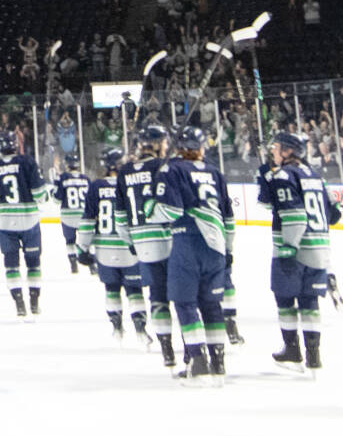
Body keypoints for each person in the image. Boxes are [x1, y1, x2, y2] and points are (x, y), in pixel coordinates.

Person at [156, 126, 233, 385]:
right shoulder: (215, 172)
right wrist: (228, 249)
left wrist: (149, 211)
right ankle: (219, 364)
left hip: (187, 241)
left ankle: (198, 364)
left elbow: (170, 210)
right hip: (216, 246)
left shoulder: (173, 170)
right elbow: (228, 216)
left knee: (185, 303)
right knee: (212, 306)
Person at [261, 132, 333, 372]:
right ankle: (314, 356)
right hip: (320, 247)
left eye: (277, 147)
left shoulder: (284, 174)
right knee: (309, 301)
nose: (273, 151)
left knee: (284, 297)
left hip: (296, 247)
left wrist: (290, 246)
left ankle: (292, 349)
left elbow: (291, 213)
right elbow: (335, 213)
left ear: (288, 151)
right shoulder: (316, 175)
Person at [119, 124, 177, 368]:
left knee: (158, 298)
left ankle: (166, 349)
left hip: (142, 243)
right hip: (170, 240)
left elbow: (121, 217)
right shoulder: (164, 168)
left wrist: (130, 242)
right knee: (184, 298)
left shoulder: (124, 172)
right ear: (155, 144)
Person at [78, 147, 149, 345]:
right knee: (134, 290)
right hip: (129, 247)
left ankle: (117, 327)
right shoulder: (128, 182)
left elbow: (88, 219)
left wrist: (81, 247)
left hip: (104, 250)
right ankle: (141, 329)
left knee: (111, 288)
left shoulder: (96, 186)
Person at [0, 130, 49, 317]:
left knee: (11, 265)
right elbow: (39, 194)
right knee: (33, 264)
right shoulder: (27, 161)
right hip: (28, 219)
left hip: (5, 222)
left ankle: (19, 303)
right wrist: (45, 197)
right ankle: (34, 301)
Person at [52, 153, 91, 274]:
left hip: (68, 216)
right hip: (83, 215)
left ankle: (73, 263)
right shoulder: (86, 179)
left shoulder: (63, 178)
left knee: (70, 241)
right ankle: (92, 265)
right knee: (87, 240)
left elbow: (57, 199)